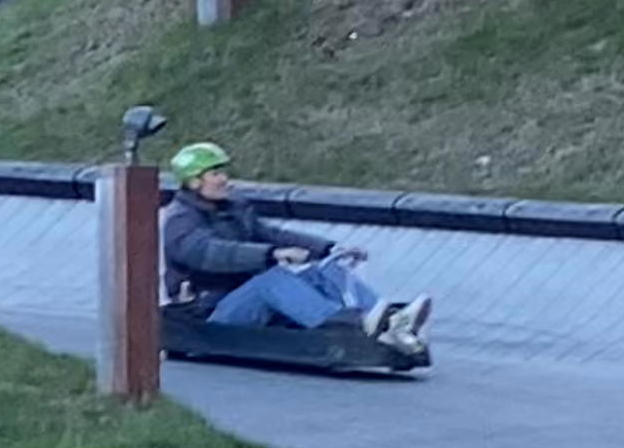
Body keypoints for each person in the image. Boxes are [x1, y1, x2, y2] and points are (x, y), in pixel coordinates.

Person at [161, 146, 427, 357]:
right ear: (195, 181)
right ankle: (355, 325)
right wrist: (271, 254)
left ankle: (389, 320)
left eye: (223, 172)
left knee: (324, 270)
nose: (225, 180)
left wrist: (328, 248)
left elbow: (272, 234)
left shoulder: (234, 208)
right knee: (272, 280)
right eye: (215, 174)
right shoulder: (180, 220)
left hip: (246, 298)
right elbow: (211, 253)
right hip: (211, 310)